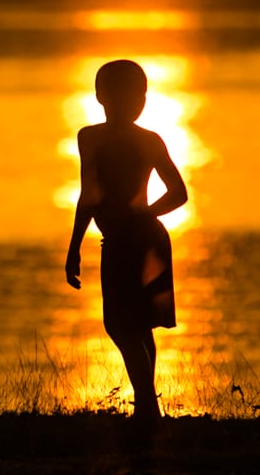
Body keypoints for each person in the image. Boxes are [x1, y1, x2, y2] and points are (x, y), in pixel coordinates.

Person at [64, 58, 188, 433]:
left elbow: (90, 195)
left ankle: (147, 407)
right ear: (101, 96)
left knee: (121, 324)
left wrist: (76, 245)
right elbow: (178, 194)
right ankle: (148, 408)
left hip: (128, 239)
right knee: (138, 324)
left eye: (137, 94)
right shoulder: (144, 140)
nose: (132, 101)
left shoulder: (92, 137)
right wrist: (145, 215)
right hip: (144, 237)